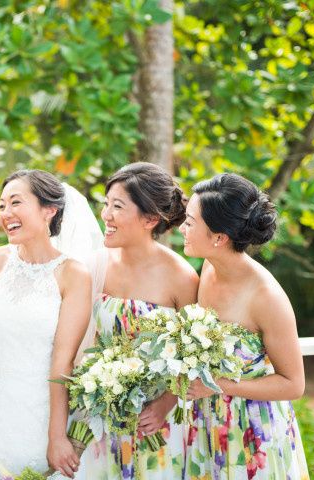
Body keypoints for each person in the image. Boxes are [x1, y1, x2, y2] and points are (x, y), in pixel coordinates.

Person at [181, 173, 309, 479]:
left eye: (190, 222)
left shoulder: (267, 297)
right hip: (207, 424)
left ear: (218, 237)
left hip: (253, 434)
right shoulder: (209, 266)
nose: (182, 228)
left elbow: (294, 385)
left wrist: (218, 385)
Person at [78, 162, 199, 480]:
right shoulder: (94, 266)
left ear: (150, 218)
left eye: (117, 206)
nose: (106, 215)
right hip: (98, 415)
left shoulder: (181, 276)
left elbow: (194, 355)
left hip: (154, 422)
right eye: (106, 204)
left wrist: (165, 404)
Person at [0, 169, 92, 479]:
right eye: (1, 206)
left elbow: (63, 363)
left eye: (15, 203)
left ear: (49, 210)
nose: (6, 213)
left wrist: (56, 437)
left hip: (41, 413)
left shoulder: (73, 275)